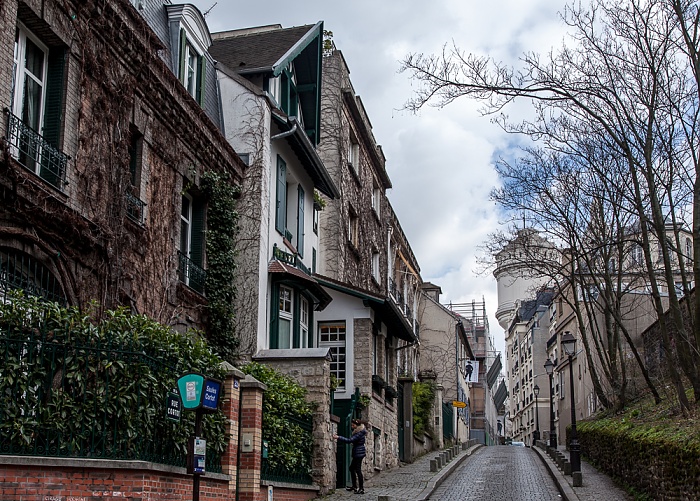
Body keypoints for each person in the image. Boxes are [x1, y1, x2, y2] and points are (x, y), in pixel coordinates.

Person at [333, 418, 367, 494]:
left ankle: (361, 488)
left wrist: (338, 437)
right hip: (358, 452)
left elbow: (349, 440)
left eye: (353, 425)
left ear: (357, 425)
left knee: (358, 470)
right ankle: (354, 486)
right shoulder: (358, 431)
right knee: (352, 468)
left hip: (359, 453)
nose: (352, 426)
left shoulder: (359, 433)